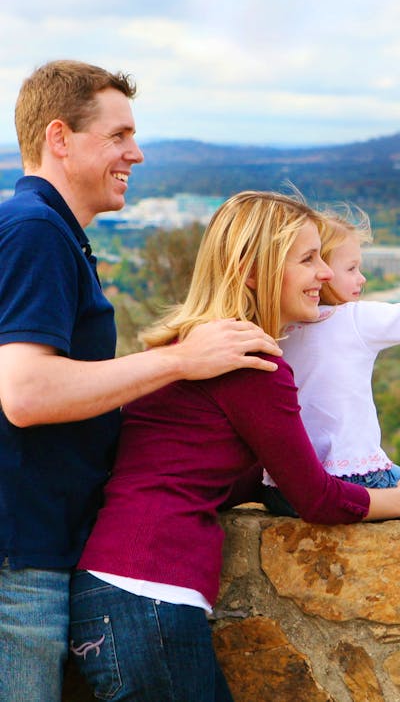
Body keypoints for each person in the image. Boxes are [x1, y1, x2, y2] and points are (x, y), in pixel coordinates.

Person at [0, 63, 280, 702]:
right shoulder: (35, 230)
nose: (137, 152)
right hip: (16, 555)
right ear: (60, 138)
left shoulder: (51, 234)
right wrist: (182, 361)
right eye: (119, 134)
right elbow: (27, 393)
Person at [69, 191, 400, 702]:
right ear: (252, 271)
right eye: (308, 260)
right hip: (149, 594)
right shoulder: (248, 361)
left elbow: (210, 470)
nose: (327, 275)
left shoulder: (197, 345)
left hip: (120, 592)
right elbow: (318, 499)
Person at [262, 206, 400, 518]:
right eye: (352, 269)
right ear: (322, 272)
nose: (361, 278)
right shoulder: (355, 318)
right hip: (356, 477)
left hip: (281, 489)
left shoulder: (278, 326)